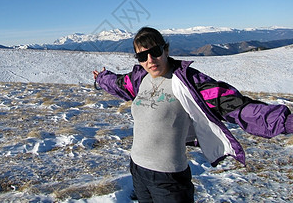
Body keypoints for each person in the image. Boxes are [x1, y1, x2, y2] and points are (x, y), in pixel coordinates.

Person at [93, 27, 293, 203]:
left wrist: (286, 121)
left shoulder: (188, 82)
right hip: (137, 171)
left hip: (169, 179)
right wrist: (101, 78)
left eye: (155, 52)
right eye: (142, 56)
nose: (150, 60)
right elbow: (118, 83)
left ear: (166, 49)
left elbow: (235, 105)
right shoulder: (139, 79)